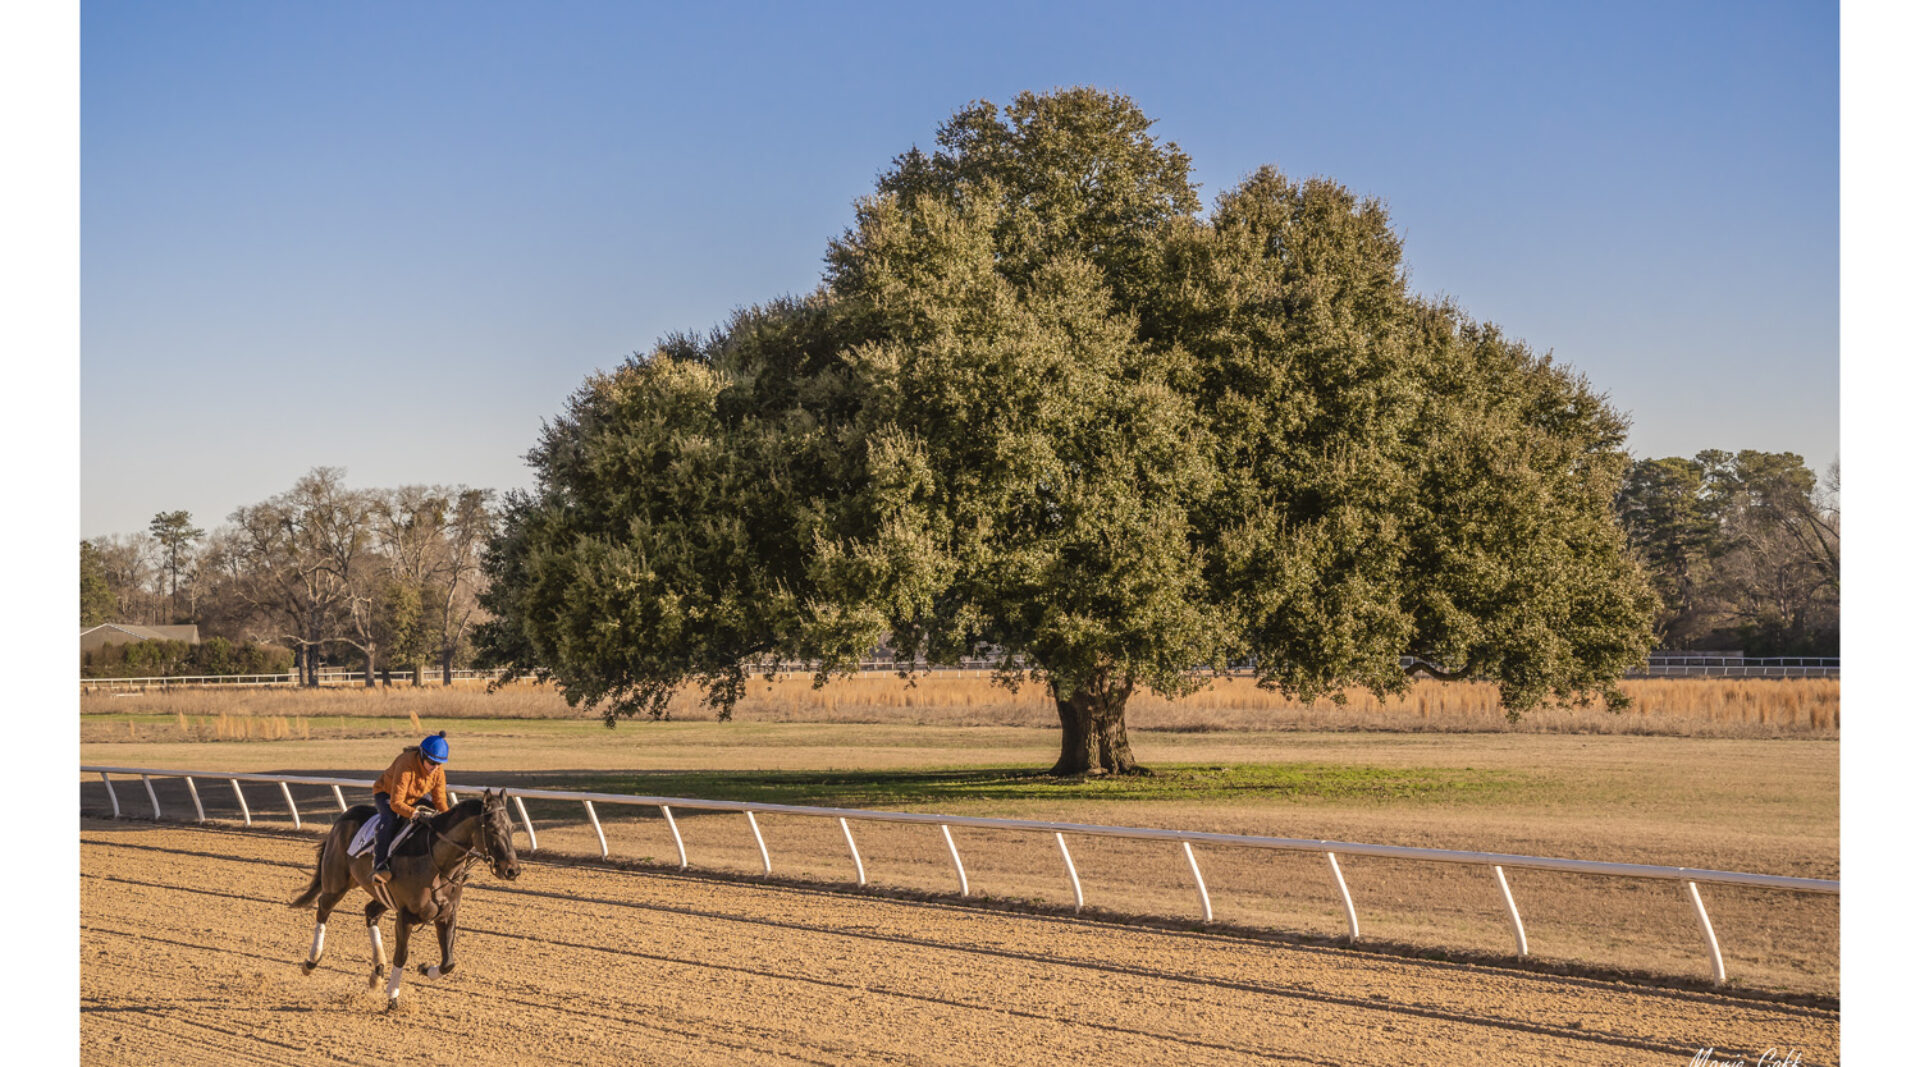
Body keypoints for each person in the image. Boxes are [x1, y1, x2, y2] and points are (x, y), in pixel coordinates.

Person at [370, 731, 451, 884]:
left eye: (439, 763)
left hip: (414, 797)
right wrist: (415, 814)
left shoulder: (438, 771)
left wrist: (449, 819)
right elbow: (396, 803)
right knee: (390, 820)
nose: (435, 767)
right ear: (422, 756)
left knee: (438, 817)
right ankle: (379, 866)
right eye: (432, 762)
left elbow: (440, 801)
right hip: (386, 794)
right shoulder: (406, 764)